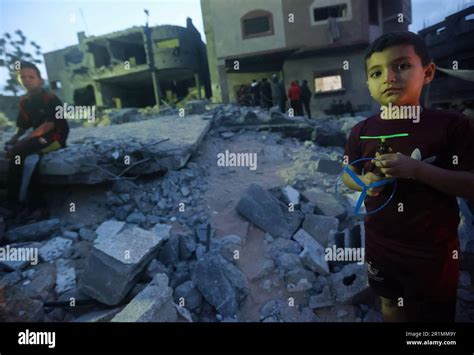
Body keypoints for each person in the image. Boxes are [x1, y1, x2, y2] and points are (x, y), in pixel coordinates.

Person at [342, 31, 474, 322]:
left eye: (401, 66)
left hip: (434, 251)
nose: (388, 77)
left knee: (436, 313)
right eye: (376, 72)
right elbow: (347, 172)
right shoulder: (361, 131)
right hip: (381, 245)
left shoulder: (452, 125)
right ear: (368, 83)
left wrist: (416, 170)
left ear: (427, 72)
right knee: (390, 304)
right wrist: (363, 182)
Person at [4, 61, 69, 214]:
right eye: (23, 77)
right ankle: (24, 198)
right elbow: (23, 126)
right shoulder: (24, 102)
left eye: (31, 77)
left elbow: (50, 125)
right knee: (13, 148)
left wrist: (24, 141)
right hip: (37, 137)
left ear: (40, 80)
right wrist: (15, 138)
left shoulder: (50, 98)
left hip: (55, 137)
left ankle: (17, 201)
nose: (26, 80)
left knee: (20, 151)